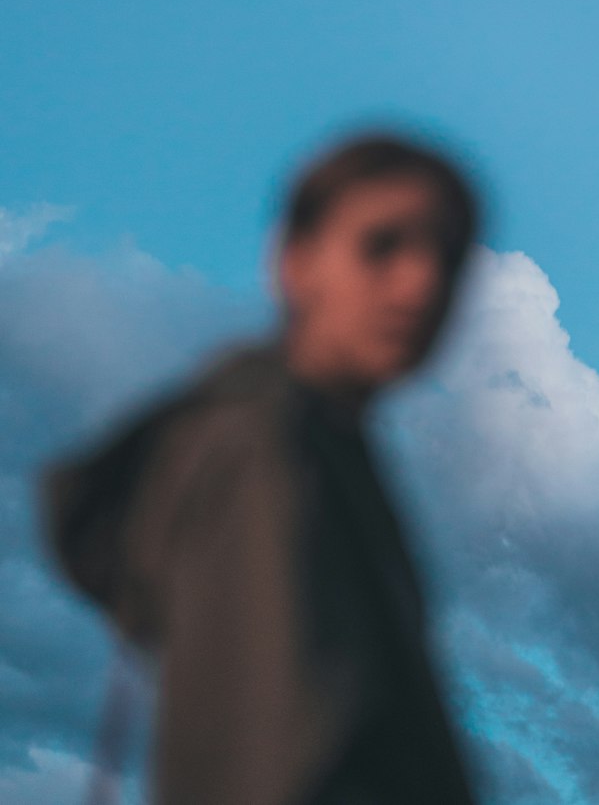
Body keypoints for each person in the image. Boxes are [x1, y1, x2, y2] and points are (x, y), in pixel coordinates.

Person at [38, 130, 483, 805]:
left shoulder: (321, 444)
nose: (421, 283)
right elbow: (273, 760)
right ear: (294, 262)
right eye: (383, 244)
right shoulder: (265, 448)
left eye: (447, 257)